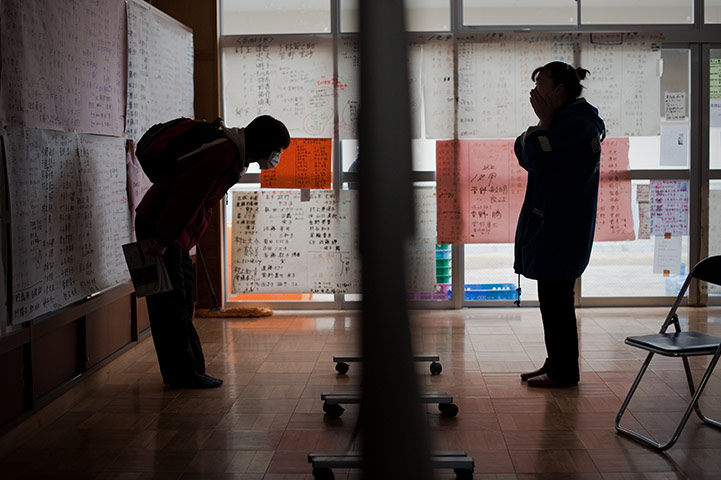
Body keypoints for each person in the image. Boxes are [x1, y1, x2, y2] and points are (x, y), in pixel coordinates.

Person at [135, 115, 290, 389]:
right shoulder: (223, 152)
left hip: (170, 233)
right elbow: (187, 196)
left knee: (179, 302)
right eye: (276, 151)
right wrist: (163, 239)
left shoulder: (231, 154)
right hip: (159, 229)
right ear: (264, 147)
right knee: (170, 305)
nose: (276, 157)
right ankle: (182, 375)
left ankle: (188, 370)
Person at [513, 62, 605, 388]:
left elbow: (539, 157)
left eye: (541, 86)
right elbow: (523, 150)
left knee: (558, 302)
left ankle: (565, 372)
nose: (535, 93)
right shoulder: (563, 121)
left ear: (559, 91)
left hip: (564, 228)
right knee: (551, 300)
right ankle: (555, 363)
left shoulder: (580, 127)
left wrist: (541, 126)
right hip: (552, 227)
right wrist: (541, 129)